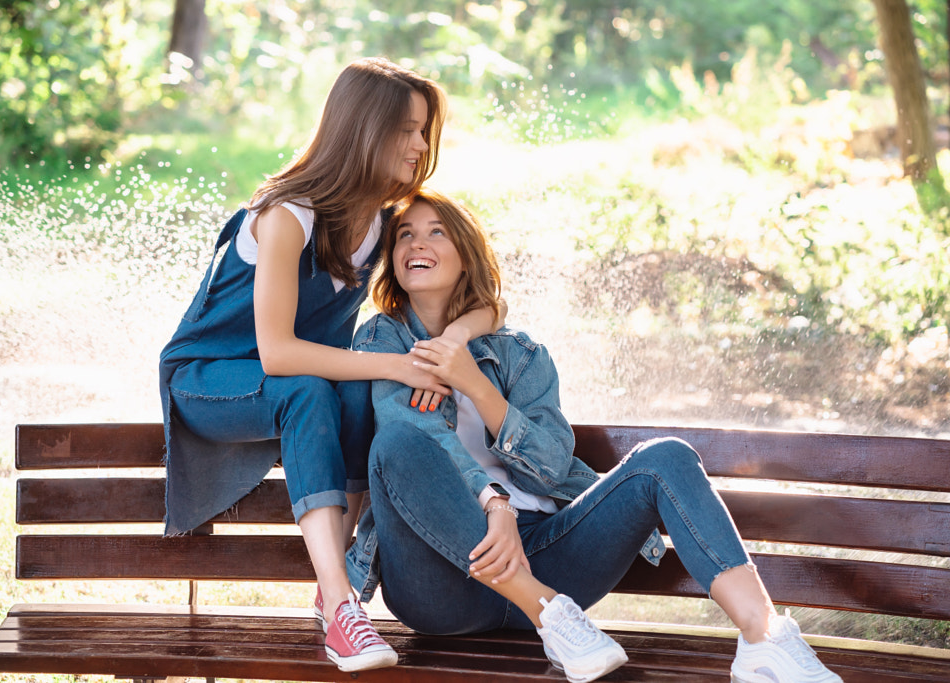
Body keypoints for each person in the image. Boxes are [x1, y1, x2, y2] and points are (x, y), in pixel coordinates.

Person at [347, 188, 843, 683]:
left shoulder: (521, 354)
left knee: (666, 457)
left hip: (548, 558)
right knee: (397, 444)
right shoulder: (381, 340)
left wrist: (475, 384)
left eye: (436, 232)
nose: (417, 243)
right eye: (405, 235)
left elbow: (551, 465)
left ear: (466, 256)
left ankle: (764, 640)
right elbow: (418, 437)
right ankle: (549, 613)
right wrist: (495, 505)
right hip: (441, 582)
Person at [158, 59, 503, 673]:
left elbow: (489, 303)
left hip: (297, 384)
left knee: (346, 389)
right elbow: (276, 354)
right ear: (364, 130)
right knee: (315, 388)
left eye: (423, 130)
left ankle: (332, 596)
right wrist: (399, 367)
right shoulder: (287, 216)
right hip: (208, 379)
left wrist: (449, 343)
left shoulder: (384, 222)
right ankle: (343, 605)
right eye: (406, 130)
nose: (420, 145)